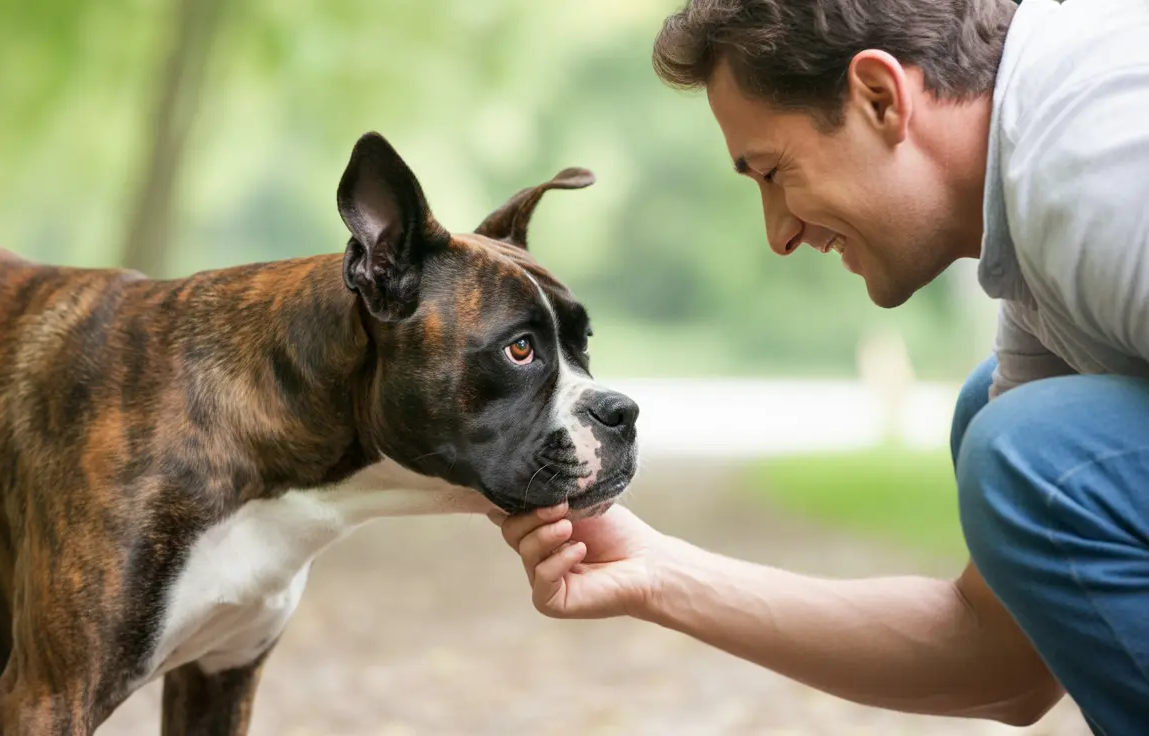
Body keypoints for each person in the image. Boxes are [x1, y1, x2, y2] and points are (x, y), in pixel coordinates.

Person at [485, 0, 1149, 733]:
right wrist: (656, 572)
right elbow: (999, 660)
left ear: (879, 98)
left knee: (1033, 454)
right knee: (1007, 429)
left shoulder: (1105, 170)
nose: (778, 233)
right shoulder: (1041, 229)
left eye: (772, 172)